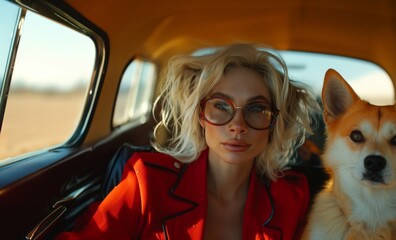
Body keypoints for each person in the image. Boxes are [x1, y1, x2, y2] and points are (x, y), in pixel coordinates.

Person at [56, 43, 320, 239]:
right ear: (201, 115)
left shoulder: (293, 196)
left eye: (256, 109)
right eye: (221, 105)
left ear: (274, 123)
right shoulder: (146, 181)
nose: (237, 126)